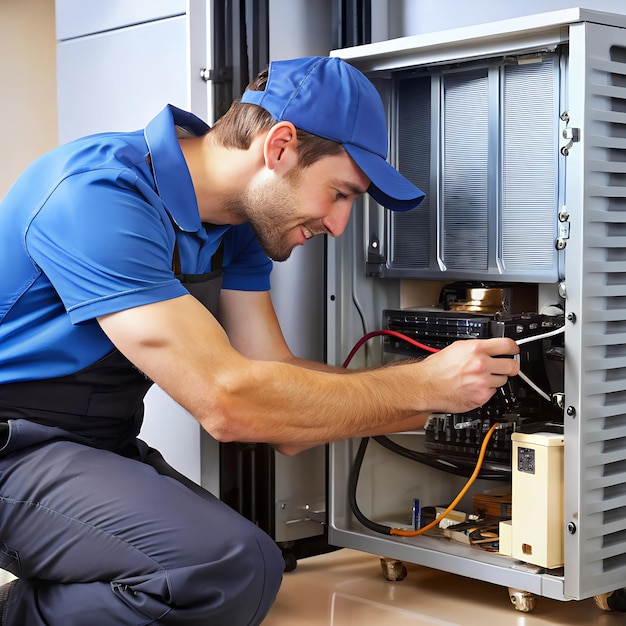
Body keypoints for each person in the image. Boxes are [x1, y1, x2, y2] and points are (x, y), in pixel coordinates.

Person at [0, 56, 519, 625]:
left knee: (258, 566)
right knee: (224, 568)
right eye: (341, 193)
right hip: (14, 448)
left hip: (95, 442)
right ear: (279, 147)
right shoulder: (98, 195)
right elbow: (232, 405)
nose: (340, 224)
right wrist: (423, 388)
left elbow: (275, 381)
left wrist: (452, 399)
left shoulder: (236, 226)